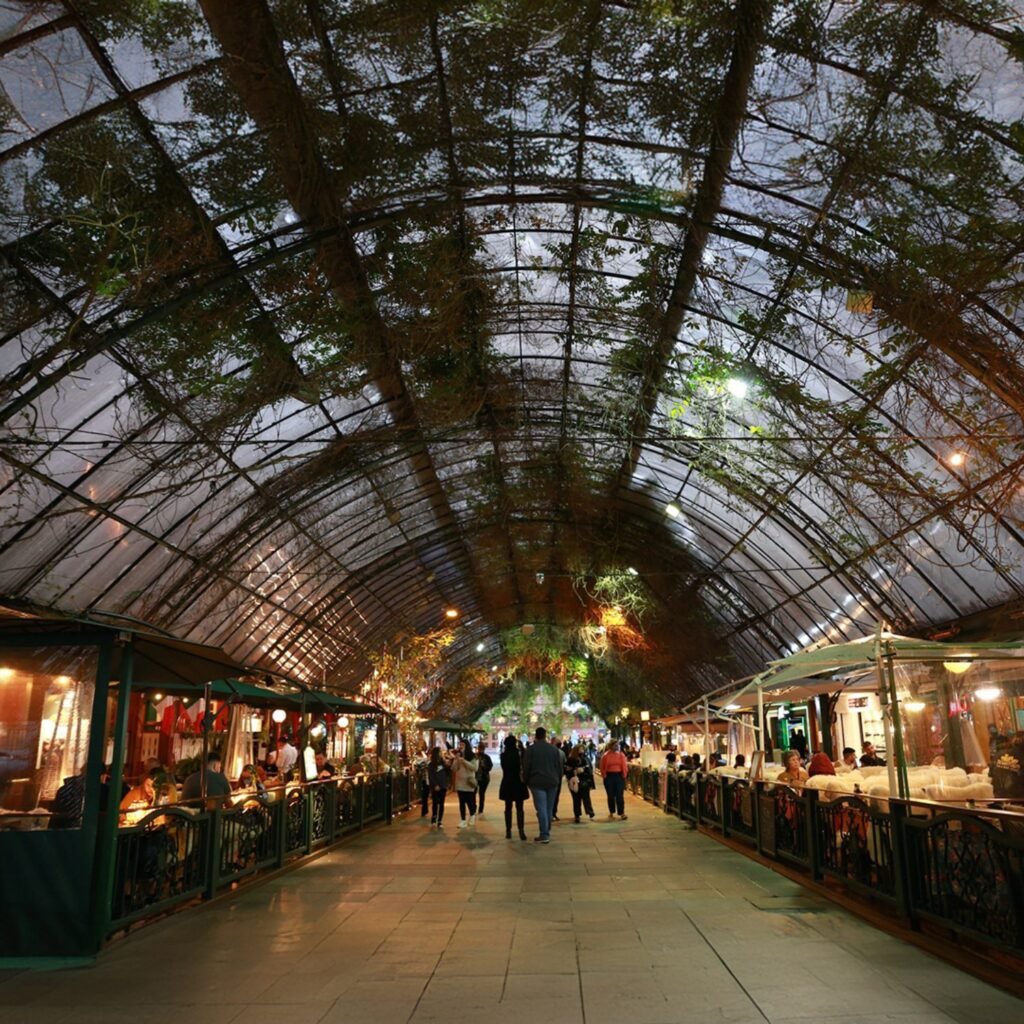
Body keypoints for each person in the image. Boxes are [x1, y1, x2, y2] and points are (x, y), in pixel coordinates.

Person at [522, 726, 562, 843]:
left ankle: (544, 834)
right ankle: (546, 830)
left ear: (536, 736)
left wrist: (526, 780)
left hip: (537, 781)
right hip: (552, 781)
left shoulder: (531, 750)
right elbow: (558, 766)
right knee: (549, 808)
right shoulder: (554, 749)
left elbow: (526, 767)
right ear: (545, 736)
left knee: (541, 808)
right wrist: (558, 779)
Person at [499, 735, 529, 840]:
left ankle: (508, 830)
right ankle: (521, 831)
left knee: (508, 807)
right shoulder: (519, 754)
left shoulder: (503, 755)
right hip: (518, 783)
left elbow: (504, 768)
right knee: (520, 808)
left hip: (507, 782)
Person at [451, 739, 478, 828]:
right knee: (461, 802)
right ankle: (462, 820)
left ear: (467, 746)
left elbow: (474, 768)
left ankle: (472, 815)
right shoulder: (459, 756)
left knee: (470, 801)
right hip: (460, 783)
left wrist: (464, 761)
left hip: (469, 782)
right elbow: (453, 769)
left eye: (462, 744)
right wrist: (456, 759)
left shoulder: (472, 756)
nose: (461, 746)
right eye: (460, 744)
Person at [599, 740, 629, 820]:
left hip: (619, 776)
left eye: (617, 745)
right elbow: (602, 766)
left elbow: (624, 766)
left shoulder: (621, 755)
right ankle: (611, 812)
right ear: (610, 746)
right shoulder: (605, 756)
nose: (617, 746)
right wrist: (604, 775)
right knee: (610, 795)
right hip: (609, 776)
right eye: (615, 745)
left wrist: (624, 776)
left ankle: (622, 812)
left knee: (619, 795)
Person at [566, 744, 596, 823]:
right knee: (576, 799)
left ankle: (589, 812)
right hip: (574, 781)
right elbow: (567, 770)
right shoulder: (571, 759)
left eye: (583, 748)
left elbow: (590, 770)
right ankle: (577, 815)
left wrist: (583, 770)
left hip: (584, 781)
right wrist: (573, 771)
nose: (582, 750)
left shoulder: (586, 758)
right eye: (581, 748)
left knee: (586, 797)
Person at [427, 747, 450, 828]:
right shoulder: (431, 765)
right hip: (435, 786)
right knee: (435, 803)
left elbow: (448, 773)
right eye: (440, 752)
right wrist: (435, 784)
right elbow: (431, 776)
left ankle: (440, 820)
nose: (441, 753)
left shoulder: (443, 763)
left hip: (443, 785)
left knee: (441, 803)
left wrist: (447, 764)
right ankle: (434, 818)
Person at [551, 737, 567, 821]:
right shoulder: (561, 753)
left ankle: (552, 813)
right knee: (555, 796)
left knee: (554, 796)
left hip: (556, 777)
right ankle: (552, 813)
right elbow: (565, 764)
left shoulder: (561, 753)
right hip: (555, 777)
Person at [475, 742, 493, 816]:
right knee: (473, 794)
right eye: (479, 748)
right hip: (475, 778)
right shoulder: (475, 756)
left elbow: (490, 767)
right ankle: (474, 807)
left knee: (481, 794)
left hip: (484, 778)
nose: (481, 750)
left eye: (482, 749)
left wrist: (484, 766)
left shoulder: (486, 757)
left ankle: (480, 809)